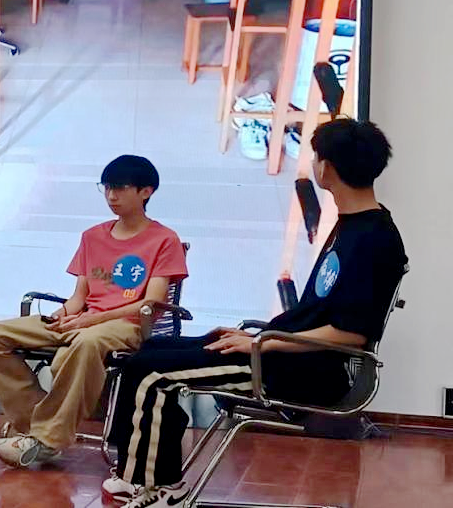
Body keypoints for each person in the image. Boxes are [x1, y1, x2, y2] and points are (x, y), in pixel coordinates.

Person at [103, 119, 408, 508]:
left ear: (327, 168)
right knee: (149, 352)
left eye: (315, 157)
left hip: (306, 371)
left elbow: (351, 334)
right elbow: (315, 313)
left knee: (153, 374)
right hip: (283, 352)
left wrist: (262, 343)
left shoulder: (375, 240)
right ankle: (138, 474)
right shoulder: (351, 225)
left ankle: (159, 489)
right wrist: (253, 337)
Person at [0, 155, 188, 467]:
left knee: (86, 342)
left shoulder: (164, 239)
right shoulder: (92, 236)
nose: (112, 196)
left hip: (125, 324)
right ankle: (37, 424)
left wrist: (93, 319)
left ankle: (47, 439)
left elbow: (151, 303)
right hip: (83, 320)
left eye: (121, 188)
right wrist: (62, 315)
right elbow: (79, 297)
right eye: (107, 188)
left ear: (146, 191)